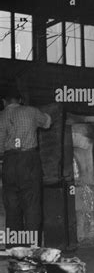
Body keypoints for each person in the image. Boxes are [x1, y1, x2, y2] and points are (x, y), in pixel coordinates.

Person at [0, 87, 51, 246]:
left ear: (4, 101)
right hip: (29, 160)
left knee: (12, 206)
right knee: (32, 205)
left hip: (8, 161)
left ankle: (14, 248)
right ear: (20, 100)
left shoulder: (1, 116)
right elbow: (48, 123)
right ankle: (32, 247)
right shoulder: (31, 111)